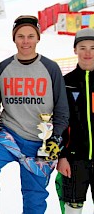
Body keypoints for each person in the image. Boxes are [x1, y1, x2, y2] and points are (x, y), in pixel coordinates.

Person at [0, 15, 70, 214]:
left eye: (30, 36)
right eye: (21, 36)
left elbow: (62, 111)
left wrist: (56, 137)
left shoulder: (50, 68)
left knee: (34, 199)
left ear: (38, 38)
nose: (26, 41)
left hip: (40, 141)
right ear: (14, 38)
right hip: (9, 135)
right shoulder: (4, 68)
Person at [56, 28, 94, 214]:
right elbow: (60, 122)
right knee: (73, 209)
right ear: (75, 50)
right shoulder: (65, 83)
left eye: (93, 48)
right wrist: (62, 156)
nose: (88, 53)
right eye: (83, 47)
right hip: (74, 160)